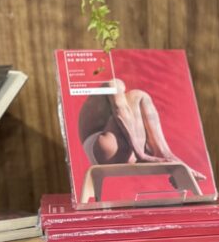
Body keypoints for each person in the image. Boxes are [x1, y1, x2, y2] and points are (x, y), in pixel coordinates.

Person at [77, 77, 206, 180]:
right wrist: (140, 154)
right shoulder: (115, 83)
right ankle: (163, 153)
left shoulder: (97, 97)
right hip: (106, 148)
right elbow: (119, 110)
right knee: (138, 95)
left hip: (101, 150)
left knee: (132, 101)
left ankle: (163, 154)